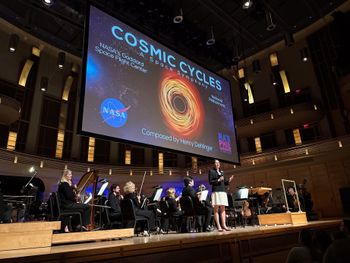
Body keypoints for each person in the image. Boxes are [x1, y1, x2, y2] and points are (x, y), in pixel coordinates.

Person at [208, 159, 234, 232]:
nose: (217, 164)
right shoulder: (211, 171)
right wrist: (218, 180)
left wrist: (228, 180)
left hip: (223, 191)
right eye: (215, 163)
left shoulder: (222, 172)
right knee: (216, 209)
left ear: (220, 164)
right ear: (213, 164)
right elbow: (210, 182)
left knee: (223, 208)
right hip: (216, 191)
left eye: (218, 163)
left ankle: (224, 225)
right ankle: (218, 226)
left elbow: (224, 182)